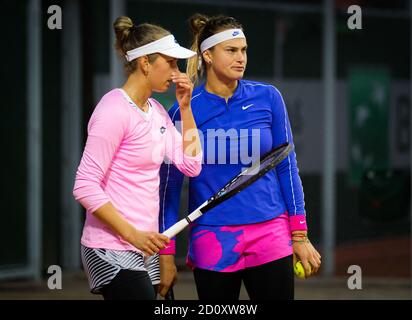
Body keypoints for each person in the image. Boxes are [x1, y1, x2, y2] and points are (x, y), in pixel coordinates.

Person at [159, 14, 321, 300]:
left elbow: (286, 167)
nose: (241, 58)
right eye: (231, 50)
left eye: (243, 50)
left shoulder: (269, 98)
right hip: (213, 239)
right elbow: (169, 189)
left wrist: (299, 234)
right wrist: (166, 253)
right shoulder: (182, 111)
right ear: (207, 55)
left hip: (271, 233)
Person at [73, 16, 202, 300]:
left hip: (144, 246)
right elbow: (84, 186)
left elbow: (191, 165)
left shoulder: (156, 110)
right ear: (145, 63)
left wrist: (185, 108)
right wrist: (133, 235)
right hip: (109, 248)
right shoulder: (113, 110)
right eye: (170, 63)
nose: (176, 72)